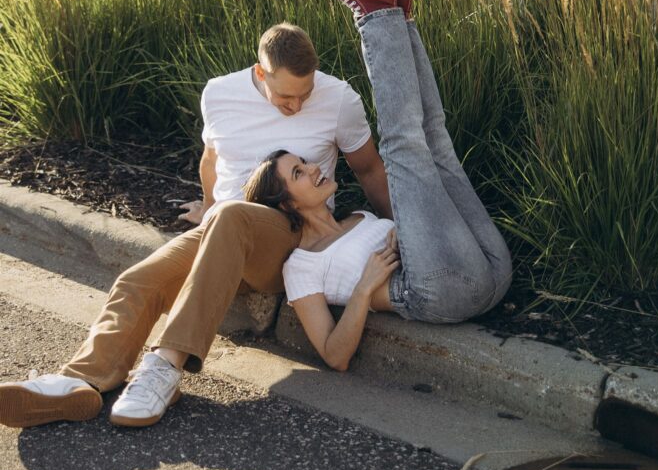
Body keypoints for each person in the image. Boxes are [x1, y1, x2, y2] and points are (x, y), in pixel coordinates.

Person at [0, 23, 389, 430]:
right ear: (260, 73)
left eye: (304, 94)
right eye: (285, 96)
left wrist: (407, 236)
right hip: (224, 228)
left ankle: (165, 365)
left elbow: (370, 169)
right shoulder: (220, 93)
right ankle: (80, 379)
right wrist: (207, 206)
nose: (296, 105)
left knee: (230, 215)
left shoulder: (339, 98)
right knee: (139, 280)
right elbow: (212, 158)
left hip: (287, 236)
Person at [243, 0, 512, 372]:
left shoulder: (358, 216)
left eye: (305, 161)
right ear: (286, 203)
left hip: (492, 271)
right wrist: (365, 287)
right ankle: (373, 14)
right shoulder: (299, 267)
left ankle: (400, 19)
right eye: (299, 172)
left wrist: (406, 236)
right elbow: (334, 355)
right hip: (440, 294)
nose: (315, 167)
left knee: (436, 142)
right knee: (404, 147)